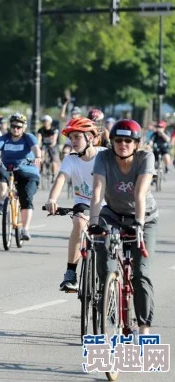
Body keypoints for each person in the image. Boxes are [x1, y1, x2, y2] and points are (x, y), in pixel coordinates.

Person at [88, 119, 157, 335]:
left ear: (136, 143)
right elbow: (98, 190)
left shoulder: (146, 157)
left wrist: (139, 223)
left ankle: (144, 328)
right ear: (112, 142)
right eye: (118, 140)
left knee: (140, 274)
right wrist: (93, 222)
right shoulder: (103, 157)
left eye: (128, 140)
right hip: (114, 214)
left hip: (143, 217)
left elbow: (139, 193)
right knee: (104, 260)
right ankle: (108, 302)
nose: (123, 144)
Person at [44, 118, 106, 291]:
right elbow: (61, 179)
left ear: (90, 138)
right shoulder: (70, 159)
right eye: (71, 138)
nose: (73, 141)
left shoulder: (104, 155)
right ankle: (71, 273)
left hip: (107, 204)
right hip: (84, 203)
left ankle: (111, 280)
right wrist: (52, 200)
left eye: (77, 137)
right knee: (79, 223)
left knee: (108, 241)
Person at [0, 112, 41, 240]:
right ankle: (2, 201)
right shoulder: (5, 138)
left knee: (26, 197)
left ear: (24, 127)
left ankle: (25, 229)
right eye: (14, 126)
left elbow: (36, 148)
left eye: (19, 127)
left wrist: (38, 157)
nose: (16, 129)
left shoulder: (28, 137)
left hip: (27, 170)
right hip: (8, 167)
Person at [37, 115, 61, 181]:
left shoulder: (54, 129)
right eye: (43, 121)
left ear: (50, 122)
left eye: (46, 121)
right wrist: (38, 146)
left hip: (52, 145)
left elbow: (55, 139)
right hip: (44, 145)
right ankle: (40, 172)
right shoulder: (41, 130)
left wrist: (53, 143)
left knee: (54, 161)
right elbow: (39, 138)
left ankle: (53, 175)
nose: (44, 123)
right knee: (41, 157)